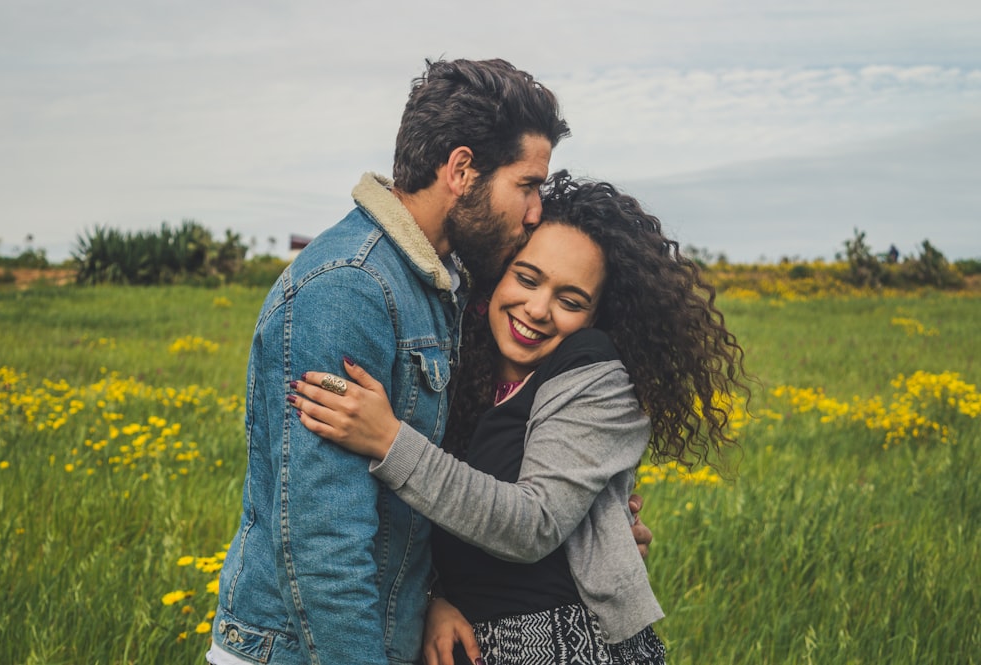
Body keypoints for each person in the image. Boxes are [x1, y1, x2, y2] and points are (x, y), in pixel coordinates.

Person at [291, 172, 749, 664]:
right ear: (496, 276)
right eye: (527, 278)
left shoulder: (596, 374)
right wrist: (431, 599)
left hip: (569, 645)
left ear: (595, 317)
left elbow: (532, 524)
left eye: (571, 301)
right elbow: (423, 517)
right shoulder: (456, 368)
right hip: (462, 641)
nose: (538, 309)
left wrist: (387, 440)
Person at [207, 58, 571, 665]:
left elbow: (404, 496)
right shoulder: (350, 288)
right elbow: (323, 541)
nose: (534, 211)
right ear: (461, 169)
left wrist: (430, 596)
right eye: (527, 185)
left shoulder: (432, 279)